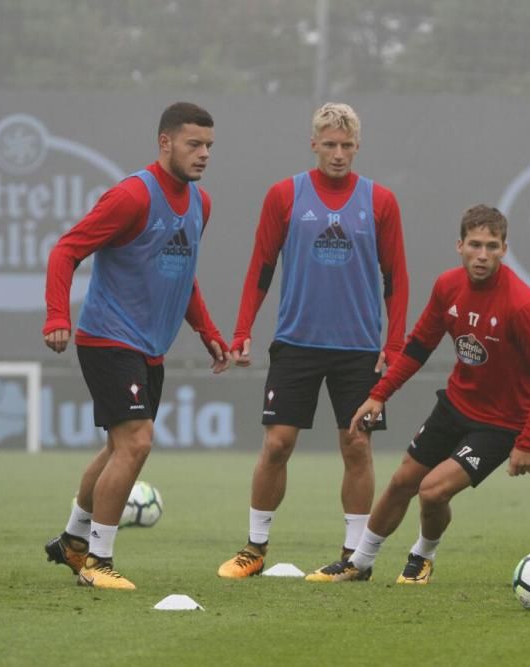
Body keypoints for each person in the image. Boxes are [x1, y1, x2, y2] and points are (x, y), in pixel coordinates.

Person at [305, 204, 530, 584]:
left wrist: (528, 441)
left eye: (492, 246)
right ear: (459, 246)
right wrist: (379, 395)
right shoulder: (448, 287)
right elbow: (417, 347)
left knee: (432, 492)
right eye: (475, 245)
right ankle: (358, 563)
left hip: (499, 424)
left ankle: (421, 555)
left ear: (504, 250)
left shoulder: (523, 306)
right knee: (401, 482)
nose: (482, 255)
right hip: (456, 405)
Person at [42, 102, 230, 590]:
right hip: (108, 337)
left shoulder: (201, 204)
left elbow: (183, 275)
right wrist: (57, 315)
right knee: (138, 442)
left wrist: (207, 331)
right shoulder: (131, 196)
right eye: (194, 144)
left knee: (117, 448)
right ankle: (98, 563)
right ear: (165, 142)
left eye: (209, 145)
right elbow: (66, 250)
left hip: (150, 348)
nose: (204, 153)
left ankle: (72, 541)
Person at [217, 102, 408, 578]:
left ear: (357, 146)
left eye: (346, 146)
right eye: (329, 145)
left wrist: (396, 344)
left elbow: (397, 279)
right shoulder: (285, 195)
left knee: (356, 445)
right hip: (296, 343)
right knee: (278, 444)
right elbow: (260, 268)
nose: (338, 154)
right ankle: (254, 549)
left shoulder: (380, 201)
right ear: (314, 144)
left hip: (359, 348)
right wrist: (242, 330)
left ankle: (353, 559)